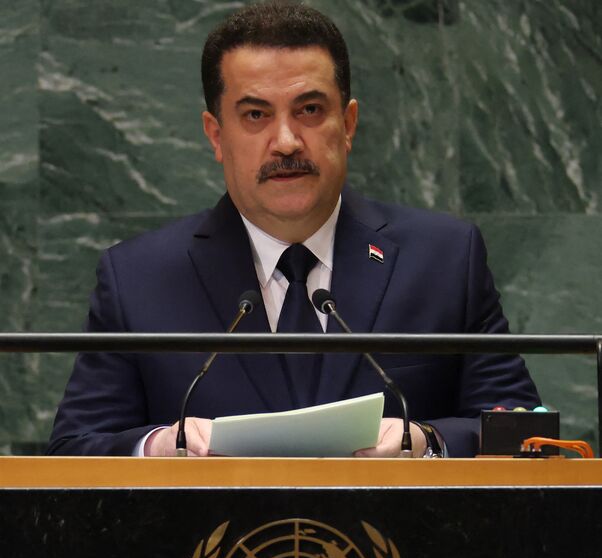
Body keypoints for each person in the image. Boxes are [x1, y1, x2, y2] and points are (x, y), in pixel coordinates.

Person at [47, 1, 540, 458]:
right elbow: (73, 448)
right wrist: (157, 447)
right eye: (256, 115)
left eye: (309, 110)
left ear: (347, 125)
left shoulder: (445, 259)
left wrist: (427, 440)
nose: (285, 142)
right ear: (216, 135)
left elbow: (525, 433)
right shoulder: (138, 278)